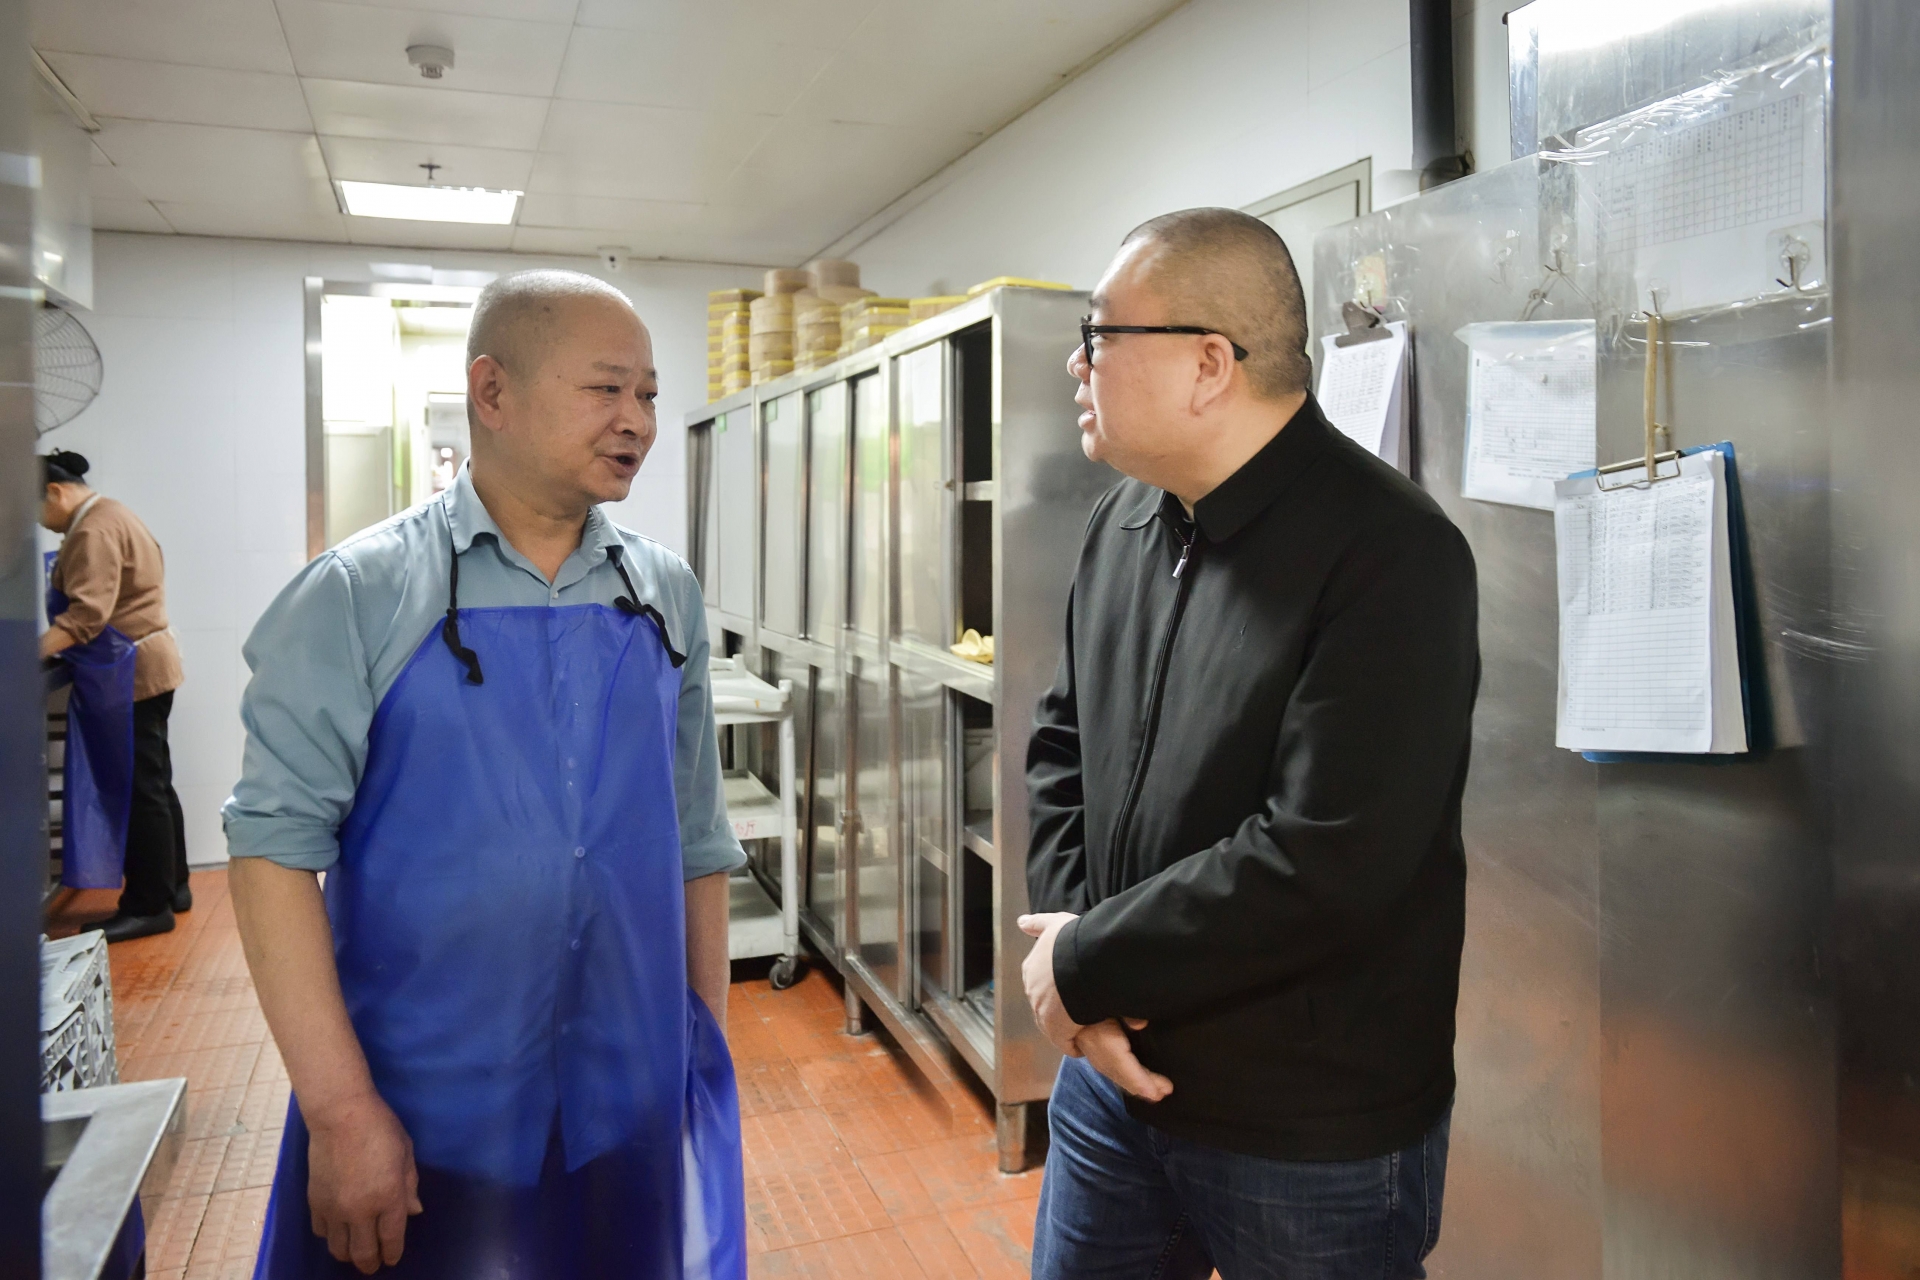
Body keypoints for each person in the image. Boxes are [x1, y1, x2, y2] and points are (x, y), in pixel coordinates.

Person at [223, 270, 748, 1278]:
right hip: (426, 1106)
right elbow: (272, 853)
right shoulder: (359, 593)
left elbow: (696, 838)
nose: (637, 420)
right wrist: (341, 1111)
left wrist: (697, 1048)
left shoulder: (661, 591)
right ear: (492, 391)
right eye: (606, 389)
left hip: (624, 1093)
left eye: (648, 393)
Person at [1017, 208, 1480, 1279]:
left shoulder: (1392, 553)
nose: (1077, 361)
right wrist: (1077, 965)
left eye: (1100, 333)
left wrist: (1084, 963)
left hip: (1306, 1128)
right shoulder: (1123, 522)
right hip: (1111, 1081)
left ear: (1208, 364)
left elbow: (1327, 854)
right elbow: (1061, 745)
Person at [41, 449, 192, 941]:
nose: (38, 522)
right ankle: (174, 887)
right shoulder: (113, 513)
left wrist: (26, 655)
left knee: (139, 788)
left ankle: (148, 906)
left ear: (54, 492)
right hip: (147, 666)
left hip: (129, 671)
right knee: (155, 782)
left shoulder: (92, 530)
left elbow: (86, 618)